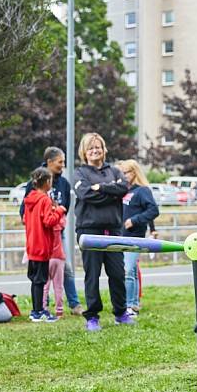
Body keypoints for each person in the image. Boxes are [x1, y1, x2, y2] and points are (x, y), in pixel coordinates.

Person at [73, 133, 134, 331]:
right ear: (84, 152)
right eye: (90, 148)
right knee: (92, 275)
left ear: (104, 149)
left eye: (98, 147)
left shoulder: (115, 171)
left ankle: (121, 312)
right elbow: (85, 194)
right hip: (89, 231)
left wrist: (101, 188)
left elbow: (123, 188)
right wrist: (110, 192)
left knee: (117, 273)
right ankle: (92, 316)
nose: (94, 151)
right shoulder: (80, 173)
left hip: (114, 230)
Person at [21, 146, 84, 316]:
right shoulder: (34, 186)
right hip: (41, 236)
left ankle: (74, 303)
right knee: (42, 274)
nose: (62, 165)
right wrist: (57, 212)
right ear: (49, 162)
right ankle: (41, 307)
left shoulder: (63, 183)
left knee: (65, 268)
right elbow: (26, 210)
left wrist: (59, 215)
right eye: (60, 162)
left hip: (57, 234)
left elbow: (67, 206)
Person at [24, 167, 67, 322]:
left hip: (31, 245)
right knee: (40, 280)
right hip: (42, 246)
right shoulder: (45, 200)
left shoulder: (30, 198)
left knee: (35, 279)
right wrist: (60, 211)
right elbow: (48, 221)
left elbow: (25, 219)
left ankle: (35, 310)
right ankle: (38, 311)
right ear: (47, 182)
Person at [117, 159, 159, 316]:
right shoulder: (124, 190)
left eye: (125, 172)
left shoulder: (142, 191)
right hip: (122, 236)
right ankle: (133, 303)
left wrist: (134, 221)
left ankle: (129, 305)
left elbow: (153, 210)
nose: (123, 176)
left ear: (134, 172)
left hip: (135, 236)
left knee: (128, 271)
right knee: (131, 271)